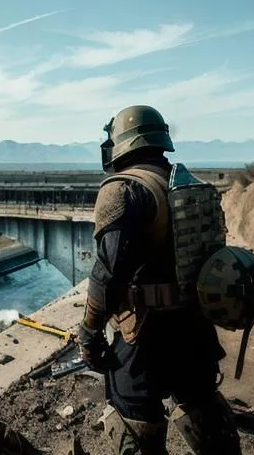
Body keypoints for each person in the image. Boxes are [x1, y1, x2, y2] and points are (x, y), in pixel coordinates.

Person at [78, 106, 241, 454]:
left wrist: (89, 332)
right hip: (194, 325)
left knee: (134, 428)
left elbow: (107, 274)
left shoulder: (122, 189)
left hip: (144, 337)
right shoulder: (184, 182)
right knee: (204, 412)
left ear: (120, 144)